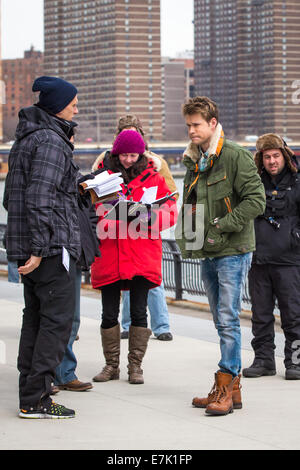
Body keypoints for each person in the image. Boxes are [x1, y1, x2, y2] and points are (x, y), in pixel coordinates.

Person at [176, 96, 265, 416]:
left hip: (233, 250)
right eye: (188, 125)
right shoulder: (193, 159)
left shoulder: (234, 156)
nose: (191, 131)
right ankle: (232, 388)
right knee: (219, 320)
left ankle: (225, 386)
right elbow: (191, 206)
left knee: (227, 320)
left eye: (196, 125)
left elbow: (256, 201)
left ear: (213, 123)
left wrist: (222, 225)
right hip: (207, 250)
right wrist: (189, 238)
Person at [3, 76, 82, 419]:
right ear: (56, 106)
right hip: (49, 250)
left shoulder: (26, 139)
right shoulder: (51, 141)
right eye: (73, 102)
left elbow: (11, 198)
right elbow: (39, 199)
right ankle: (37, 399)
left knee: (35, 319)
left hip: (31, 248)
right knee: (56, 323)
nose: (77, 106)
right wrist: (39, 249)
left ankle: (31, 394)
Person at [91, 129, 177, 385]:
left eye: (133, 155)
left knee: (140, 312)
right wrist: (112, 221)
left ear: (140, 154)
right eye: (124, 155)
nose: (128, 159)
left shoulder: (154, 178)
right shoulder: (103, 179)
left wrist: (147, 217)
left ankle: (135, 367)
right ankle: (111, 365)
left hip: (141, 254)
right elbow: (92, 213)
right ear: (116, 154)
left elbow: (170, 211)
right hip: (111, 254)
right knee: (108, 313)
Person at [242, 134, 300, 380]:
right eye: (267, 157)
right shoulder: (254, 182)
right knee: (261, 315)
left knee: (294, 314)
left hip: (290, 259)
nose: (272, 161)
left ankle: (295, 362)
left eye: (276, 155)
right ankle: (264, 360)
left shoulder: (297, 182)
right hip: (259, 258)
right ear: (261, 159)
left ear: (284, 156)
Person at [52, 127, 100, 393]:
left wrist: (90, 230)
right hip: (58, 250)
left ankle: (64, 371)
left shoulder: (68, 166)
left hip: (74, 248)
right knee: (56, 317)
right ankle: (51, 373)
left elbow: (85, 208)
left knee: (71, 318)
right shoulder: (49, 160)